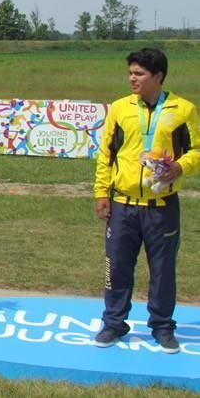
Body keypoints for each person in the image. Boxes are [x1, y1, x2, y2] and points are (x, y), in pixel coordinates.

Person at [93, 48, 200, 353]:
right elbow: (106, 155)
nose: (132, 79)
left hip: (162, 207)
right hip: (123, 205)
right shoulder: (119, 108)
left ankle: (163, 327)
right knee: (115, 268)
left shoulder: (183, 110)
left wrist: (180, 167)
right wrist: (102, 193)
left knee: (163, 270)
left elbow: (196, 151)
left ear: (159, 76)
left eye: (139, 74)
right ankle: (113, 323)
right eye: (130, 73)